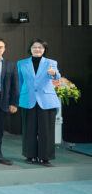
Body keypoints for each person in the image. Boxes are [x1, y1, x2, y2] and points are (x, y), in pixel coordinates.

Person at [18, 39, 61, 167]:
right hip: (28, 99)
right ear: (30, 49)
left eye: (40, 47)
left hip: (46, 100)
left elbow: (57, 76)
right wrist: (19, 97)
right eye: (34, 47)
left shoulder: (51, 62)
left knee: (46, 131)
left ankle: (45, 158)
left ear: (44, 49)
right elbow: (20, 81)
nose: (37, 49)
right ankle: (29, 156)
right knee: (29, 129)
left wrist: (54, 74)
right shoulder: (21, 63)